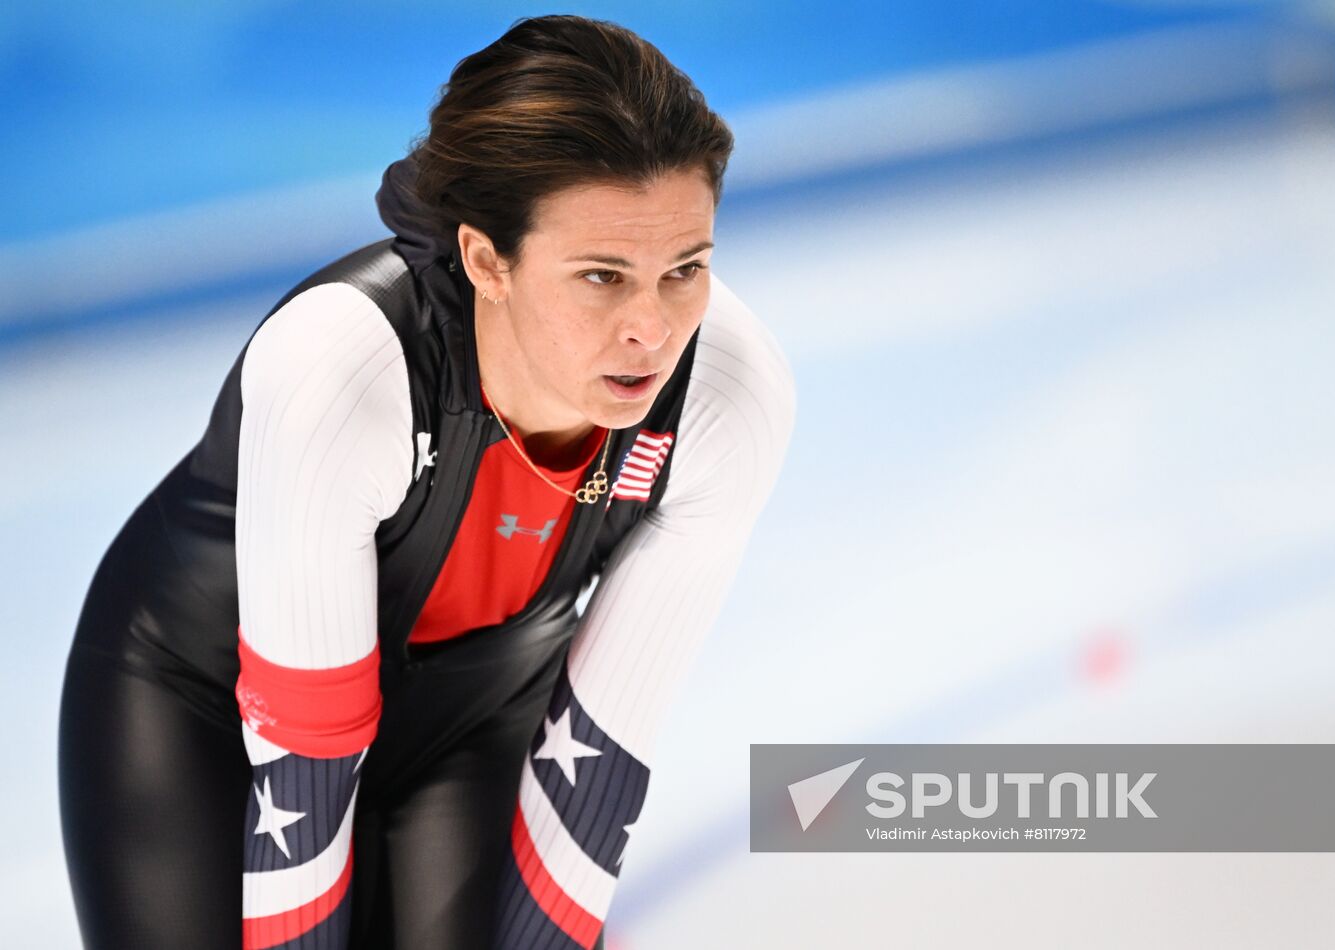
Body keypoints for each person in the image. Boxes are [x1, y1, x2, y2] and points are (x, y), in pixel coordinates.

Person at [56, 14, 795, 950]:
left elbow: (597, 770)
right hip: (209, 707)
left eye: (684, 269)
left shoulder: (727, 397)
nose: (651, 328)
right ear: (489, 258)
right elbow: (306, 779)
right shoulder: (341, 371)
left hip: (475, 724)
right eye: (603, 277)